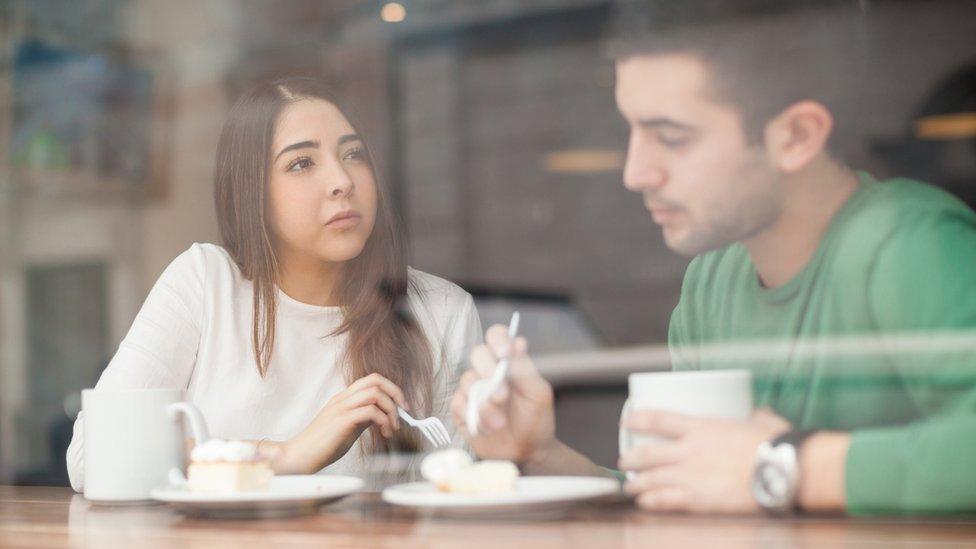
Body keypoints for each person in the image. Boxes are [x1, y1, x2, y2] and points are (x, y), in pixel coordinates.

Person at [451, 1, 976, 515]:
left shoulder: (911, 244)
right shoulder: (711, 280)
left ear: (795, 136)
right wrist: (538, 456)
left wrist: (786, 466)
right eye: (631, 131)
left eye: (671, 138)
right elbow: (686, 492)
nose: (635, 172)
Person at [67, 76, 481, 491]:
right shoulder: (205, 282)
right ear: (253, 192)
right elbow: (92, 457)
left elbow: (463, 496)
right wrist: (283, 456)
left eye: (353, 154)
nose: (342, 180)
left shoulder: (442, 310)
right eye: (301, 163)